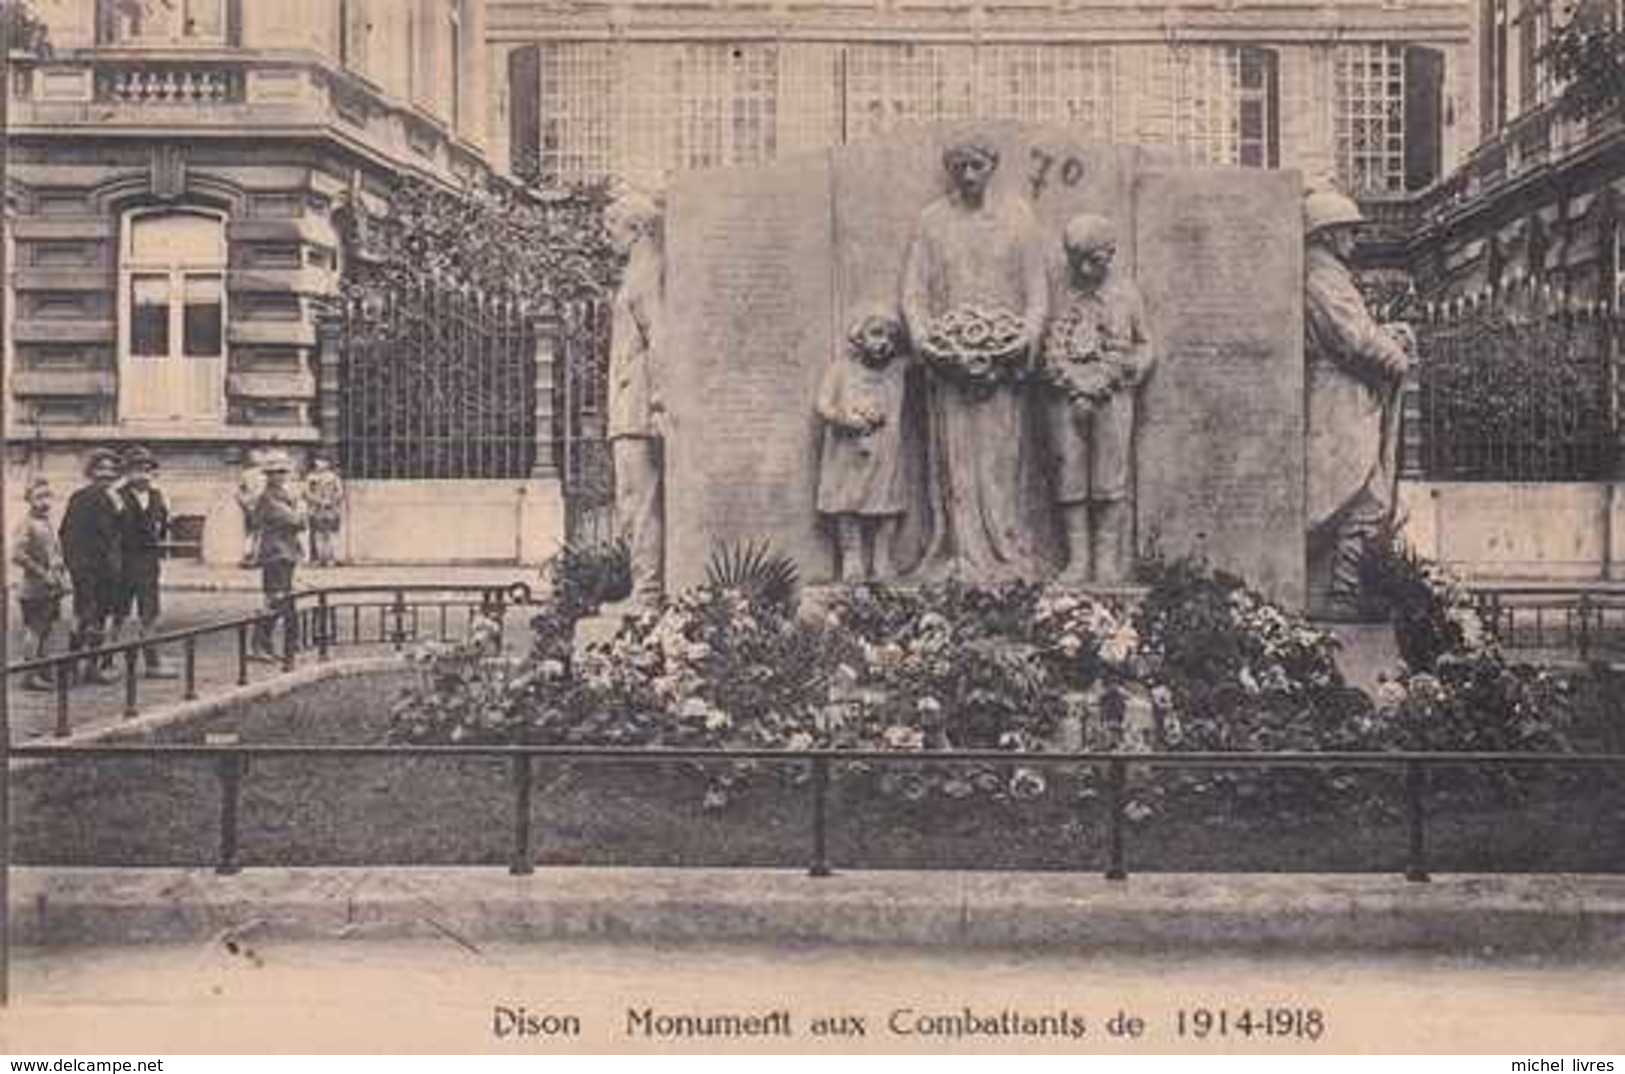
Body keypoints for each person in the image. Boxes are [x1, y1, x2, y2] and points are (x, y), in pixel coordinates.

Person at [901, 134, 1049, 583]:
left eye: (977, 166)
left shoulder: (1017, 218)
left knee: (1000, 463)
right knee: (953, 464)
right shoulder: (933, 221)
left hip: (1002, 367)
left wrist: (1020, 340)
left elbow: (1037, 293)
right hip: (950, 364)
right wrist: (931, 343)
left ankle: (1006, 552)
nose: (968, 175)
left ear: (992, 166)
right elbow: (915, 292)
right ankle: (956, 553)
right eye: (960, 166)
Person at [1303, 188, 1412, 619]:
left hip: (1352, 396)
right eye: (1348, 232)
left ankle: (1344, 590)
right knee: (1349, 496)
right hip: (1337, 400)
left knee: (1366, 496)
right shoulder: (1322, 279)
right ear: (1327, 235)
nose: (1355, 240)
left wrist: (1390, 336)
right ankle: (1335, 592)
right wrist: (1395, 354)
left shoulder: (1329, 277)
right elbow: (1353, 338)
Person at [1042, 213, 1155, 585]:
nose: (1087, 268)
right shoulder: (1058, 292)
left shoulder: (1126, 294)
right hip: (1065, 396)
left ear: (1111, 254)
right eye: (1078, 260)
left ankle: (1106, 559)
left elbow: (1145, 341)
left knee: (1109, 478)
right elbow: (1048, 341)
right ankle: (1077, 559)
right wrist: (1063, 377)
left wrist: (1136, 365)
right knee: (1069, 475)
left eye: (1096, 259)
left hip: (1113, 397)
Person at [815, 310, 910, 583]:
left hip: (885, 450)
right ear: (860, 336)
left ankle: (882, 556)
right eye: (877, 334)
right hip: (849, 448)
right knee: (847, 502)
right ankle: (852, 555)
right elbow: (823, 404)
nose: (883, 343)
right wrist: (846, 419)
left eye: (891, 338)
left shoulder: (897, 370)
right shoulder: (841, 369)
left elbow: (921, 357)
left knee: (888, 502)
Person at [605, 190, 666, 609]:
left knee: (638, 502)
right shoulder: (638, 274)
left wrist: (659, 402)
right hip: (630, 401)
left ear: (637, 229)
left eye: (612, 228)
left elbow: (659, 338)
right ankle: (644, 587)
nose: (607, 236)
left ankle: (647, 592)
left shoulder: (646, 275)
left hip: (639, 405)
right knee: (633, 501)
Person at [58, 448, 125, 684]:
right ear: (91, 472)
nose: (106, 474)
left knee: (101, 616)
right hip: (86, 569)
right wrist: (76, 568)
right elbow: (67, 534)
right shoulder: (80, 498)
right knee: (83, 614)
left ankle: (92, 666)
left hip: (109, 569)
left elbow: (119, 535)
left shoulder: (116, 499)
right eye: (101, 469)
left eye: (110, 470)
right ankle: (72, 665)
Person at [112, 445, 179, 679]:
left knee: (150, 613)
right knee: (118, 613)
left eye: (146, 468)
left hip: (149, 564)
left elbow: (162, 527)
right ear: (127, 472)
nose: (142, 473)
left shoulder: (157, 496)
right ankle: (106, 660)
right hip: (123, 563)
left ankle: (152, 662)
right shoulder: (117, 496)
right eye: (136, 468)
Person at [11, 478, 70, 692]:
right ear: (29, 500)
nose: (45, 501)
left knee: (47, 629)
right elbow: (17, 555)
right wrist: (42, 573)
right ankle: (30, 674)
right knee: (34, 630)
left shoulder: (46, 522)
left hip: (51, 587)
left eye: (47, 496)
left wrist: (60, 575)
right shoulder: (26, 524)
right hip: (34, 587)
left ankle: (43, 670)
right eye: (39, 497)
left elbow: (54, 553)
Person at [249, 449, 307, 662]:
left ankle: (266, 644)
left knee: (279, 600)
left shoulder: (283, 496)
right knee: (277, 599)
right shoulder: (267, 497)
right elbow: (296, 521)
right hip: (275, 554)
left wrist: (300, 515)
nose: (280, 476)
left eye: (283, 472)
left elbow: (300, 520)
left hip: (286, 552)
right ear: (268, 475)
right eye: (275, 472)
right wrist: (300, 513)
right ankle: (261, 645)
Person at [304, 455, 345, 567]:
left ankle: (331, 558)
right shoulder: (311, 477)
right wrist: (318, 501)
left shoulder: (334, 477)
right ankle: (318, 558)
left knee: (331, 534)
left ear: (328, 463)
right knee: (317, 534)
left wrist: (331, 501)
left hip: (331, 510)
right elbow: (307, 492)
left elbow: (340, 492)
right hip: (316, 510)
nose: (320, 464)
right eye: (318, 461)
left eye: (323, 461)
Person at [235, 455, 264, 568]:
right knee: (258, 533)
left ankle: (247, 556)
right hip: (258, 507)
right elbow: (261, 492)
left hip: (249, 507)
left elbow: (238, 492)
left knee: (250, 533)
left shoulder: (245, 474)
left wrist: (244, 503)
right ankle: (255, 557)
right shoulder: (262, 475)